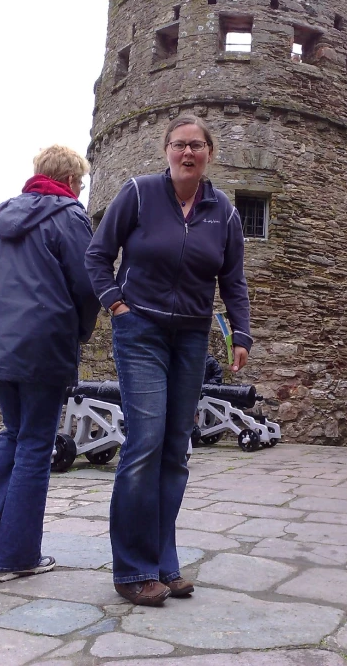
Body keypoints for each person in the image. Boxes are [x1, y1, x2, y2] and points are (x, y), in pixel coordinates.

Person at [85, 115, 252, 607]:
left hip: (192, 336)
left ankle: (163, 562)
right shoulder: (137, 194)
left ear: (208, 154)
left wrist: (240, 333)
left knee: (177, 448)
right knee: (146, 442)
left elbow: (234, 279)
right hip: (141, 331)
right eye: (179, 145)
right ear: (166, 151)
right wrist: (116, 303)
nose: (187, 153)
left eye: (197, 146)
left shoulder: (223, 212)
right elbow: (98, 254)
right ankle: (132, 569)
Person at [0, 145, 99, 581]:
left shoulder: (5, 220)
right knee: (36, 444)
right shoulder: (70, 216)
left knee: (15, 433)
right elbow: (87, 283)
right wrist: (82, 331)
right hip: (43, 344)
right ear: (73, 181)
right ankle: (16, 558)